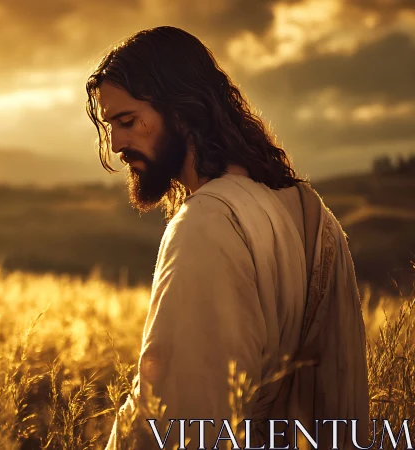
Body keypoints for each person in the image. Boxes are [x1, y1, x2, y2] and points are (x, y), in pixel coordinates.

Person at [85, 27, 370, 449]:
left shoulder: (208, 224)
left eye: (127, 121)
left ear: (183, 110)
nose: (116, 144)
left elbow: (182, 415)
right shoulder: (309, 212)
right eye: (111, 126)